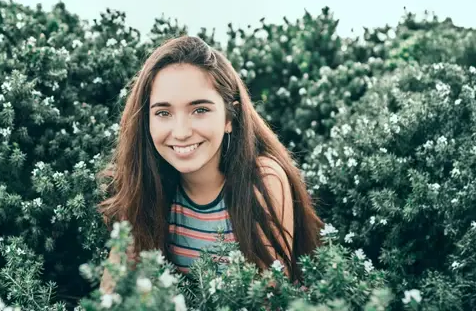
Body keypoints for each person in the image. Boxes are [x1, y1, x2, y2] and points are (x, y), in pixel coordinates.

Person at [96, 35, 324, 293]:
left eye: (200, 110)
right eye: (163, 113)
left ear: (230, 116)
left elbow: (266, 298)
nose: (181, 132)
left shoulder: (263, 179)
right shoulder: (144, 183)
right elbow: (111, 291)